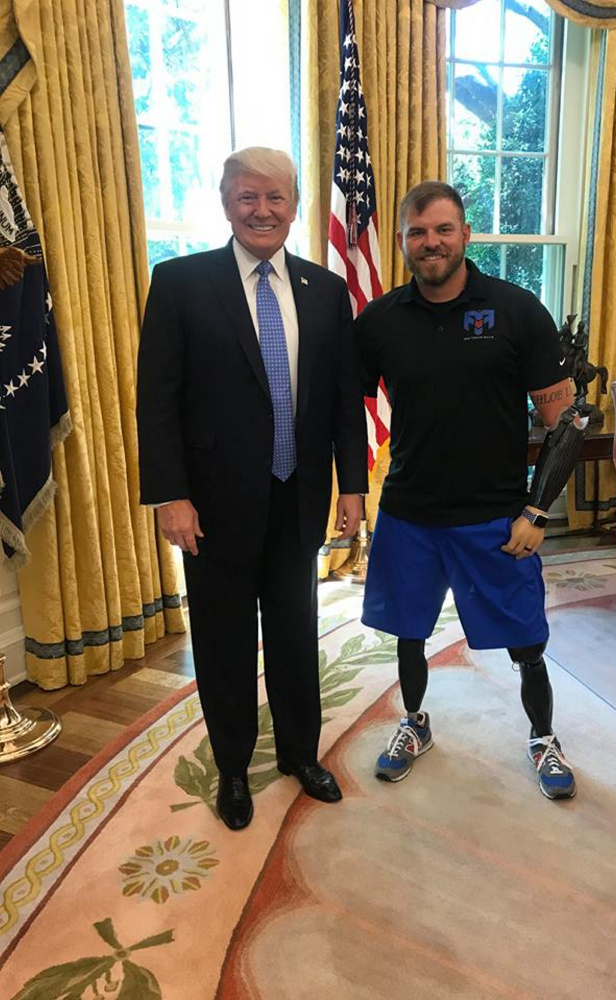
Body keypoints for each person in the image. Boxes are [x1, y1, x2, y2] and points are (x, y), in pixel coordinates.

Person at [137, 147, 368, 830]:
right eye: (247, 196)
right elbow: (157, 401)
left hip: (296, 499)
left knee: (298, 632)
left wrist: (350, 486)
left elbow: (340, 401)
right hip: (210, 508)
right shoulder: (180, 282)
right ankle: (234, 768)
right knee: (223, 639)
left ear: (296, 206)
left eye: (276, 197)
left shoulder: (325, 292)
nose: (262, 210)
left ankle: (301, 753)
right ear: (225, 202)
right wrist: (169, 495)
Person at [355, 181, 587, 800]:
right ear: (403, 241)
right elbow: (340, 404)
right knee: (410, 631)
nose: (430, 242)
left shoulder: (516, 311)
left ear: (465, 234)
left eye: (442, 229)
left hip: (495, 516)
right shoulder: (380, 320)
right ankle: (414, 724)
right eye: (417, 232)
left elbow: (564, 422)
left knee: (525, 642)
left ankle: (542, 736)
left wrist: (538, 511)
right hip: (409, 511)